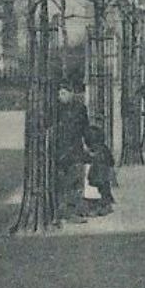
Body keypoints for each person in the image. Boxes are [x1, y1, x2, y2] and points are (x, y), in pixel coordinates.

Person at [53, 84, 92, 224]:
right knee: (62, 182)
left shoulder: (80, 109)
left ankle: (73, 211)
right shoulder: (56, 109)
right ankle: (62, 211)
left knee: (76, 181)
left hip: (75, 149)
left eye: (63, 93)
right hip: (60, 150)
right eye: (59, 94)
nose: (60, 97)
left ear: (71, 93)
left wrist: (90, 144)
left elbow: (85, 129)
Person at [85, 123, 116, 216]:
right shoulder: (103, 150)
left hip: (100, 176)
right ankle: (103, 205)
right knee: (102, 190)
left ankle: (104, 206)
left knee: (102, 190)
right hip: (100, 177)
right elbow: (111, 161)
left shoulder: (99, 152)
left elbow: (110, 162)